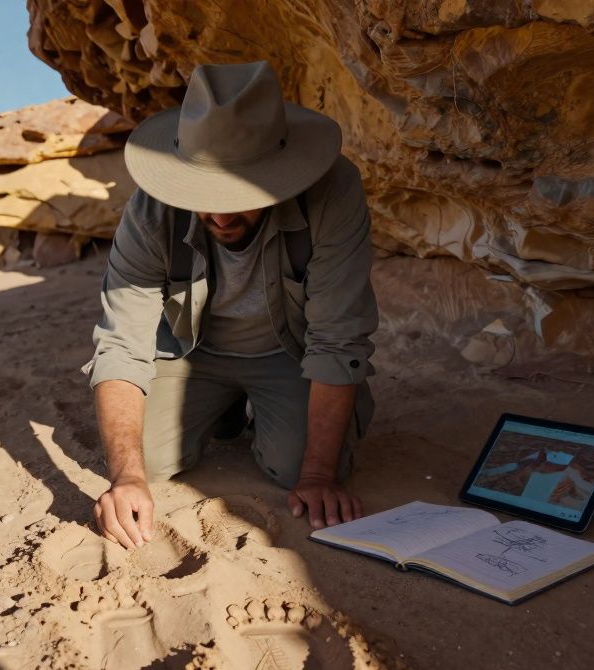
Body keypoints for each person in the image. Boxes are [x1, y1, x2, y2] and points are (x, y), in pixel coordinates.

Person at [84, 60, 378, 550]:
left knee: (295, 469)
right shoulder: (151, 209)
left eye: (238, 194)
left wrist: (318, 474)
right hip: (190, 353)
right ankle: (223, 409)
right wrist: (127, 478)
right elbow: (122, 342)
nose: (219, 215)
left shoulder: (333, 192)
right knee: (146, 463)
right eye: (202, 193)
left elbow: (337, 339)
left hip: (290, 354)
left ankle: (262, 412)